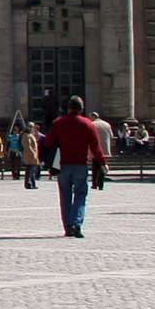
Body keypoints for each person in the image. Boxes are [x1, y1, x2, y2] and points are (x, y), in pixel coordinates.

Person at [44, 95, 103, 238]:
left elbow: (47, 142)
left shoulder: (58, 123)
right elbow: (95, 146)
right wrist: (102, 163)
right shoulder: (88, 124)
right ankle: (76, 223)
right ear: (82, 109)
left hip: (63, 165)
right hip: (80, 165)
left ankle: (68, 227)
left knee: (64, 196)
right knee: (80, 195)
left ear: (68, 108)